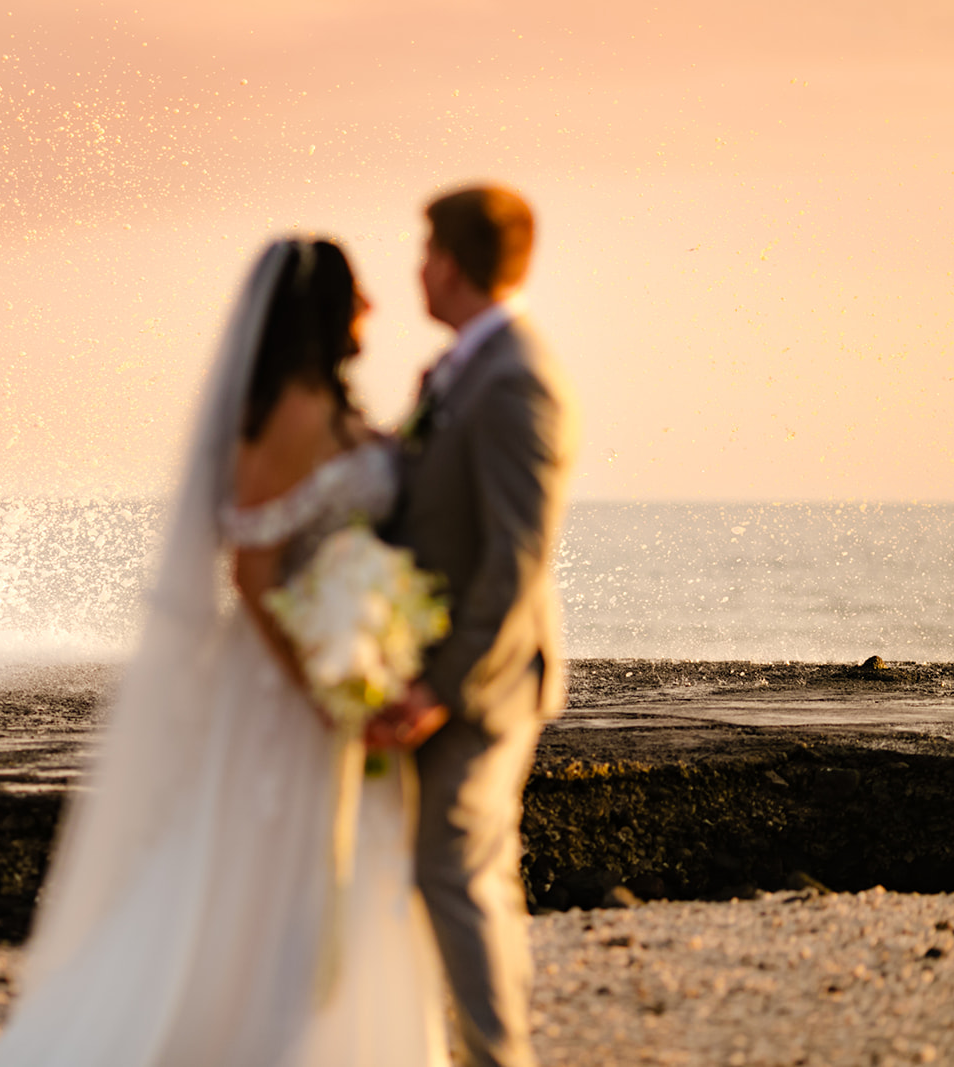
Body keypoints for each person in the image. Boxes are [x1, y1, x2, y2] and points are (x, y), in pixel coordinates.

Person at [0, 238, 450, 1066]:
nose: (372, 307)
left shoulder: (333, 411)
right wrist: (322, 686)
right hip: (282, 685)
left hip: (341, 664)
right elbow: (254, 568)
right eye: (358, 295)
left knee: (340, 867)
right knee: (270, 868)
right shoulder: (287, 421)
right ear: (324, 313)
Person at [371, 184, 579, 1067]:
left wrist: (439, 686)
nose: (416, 268)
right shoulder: (460, 366)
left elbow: (516, 558)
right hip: (439, 666)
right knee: (472, 875)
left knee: (454, 874)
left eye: (424, 251)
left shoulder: (517, 376)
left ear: (449, 262)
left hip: (484, 680)